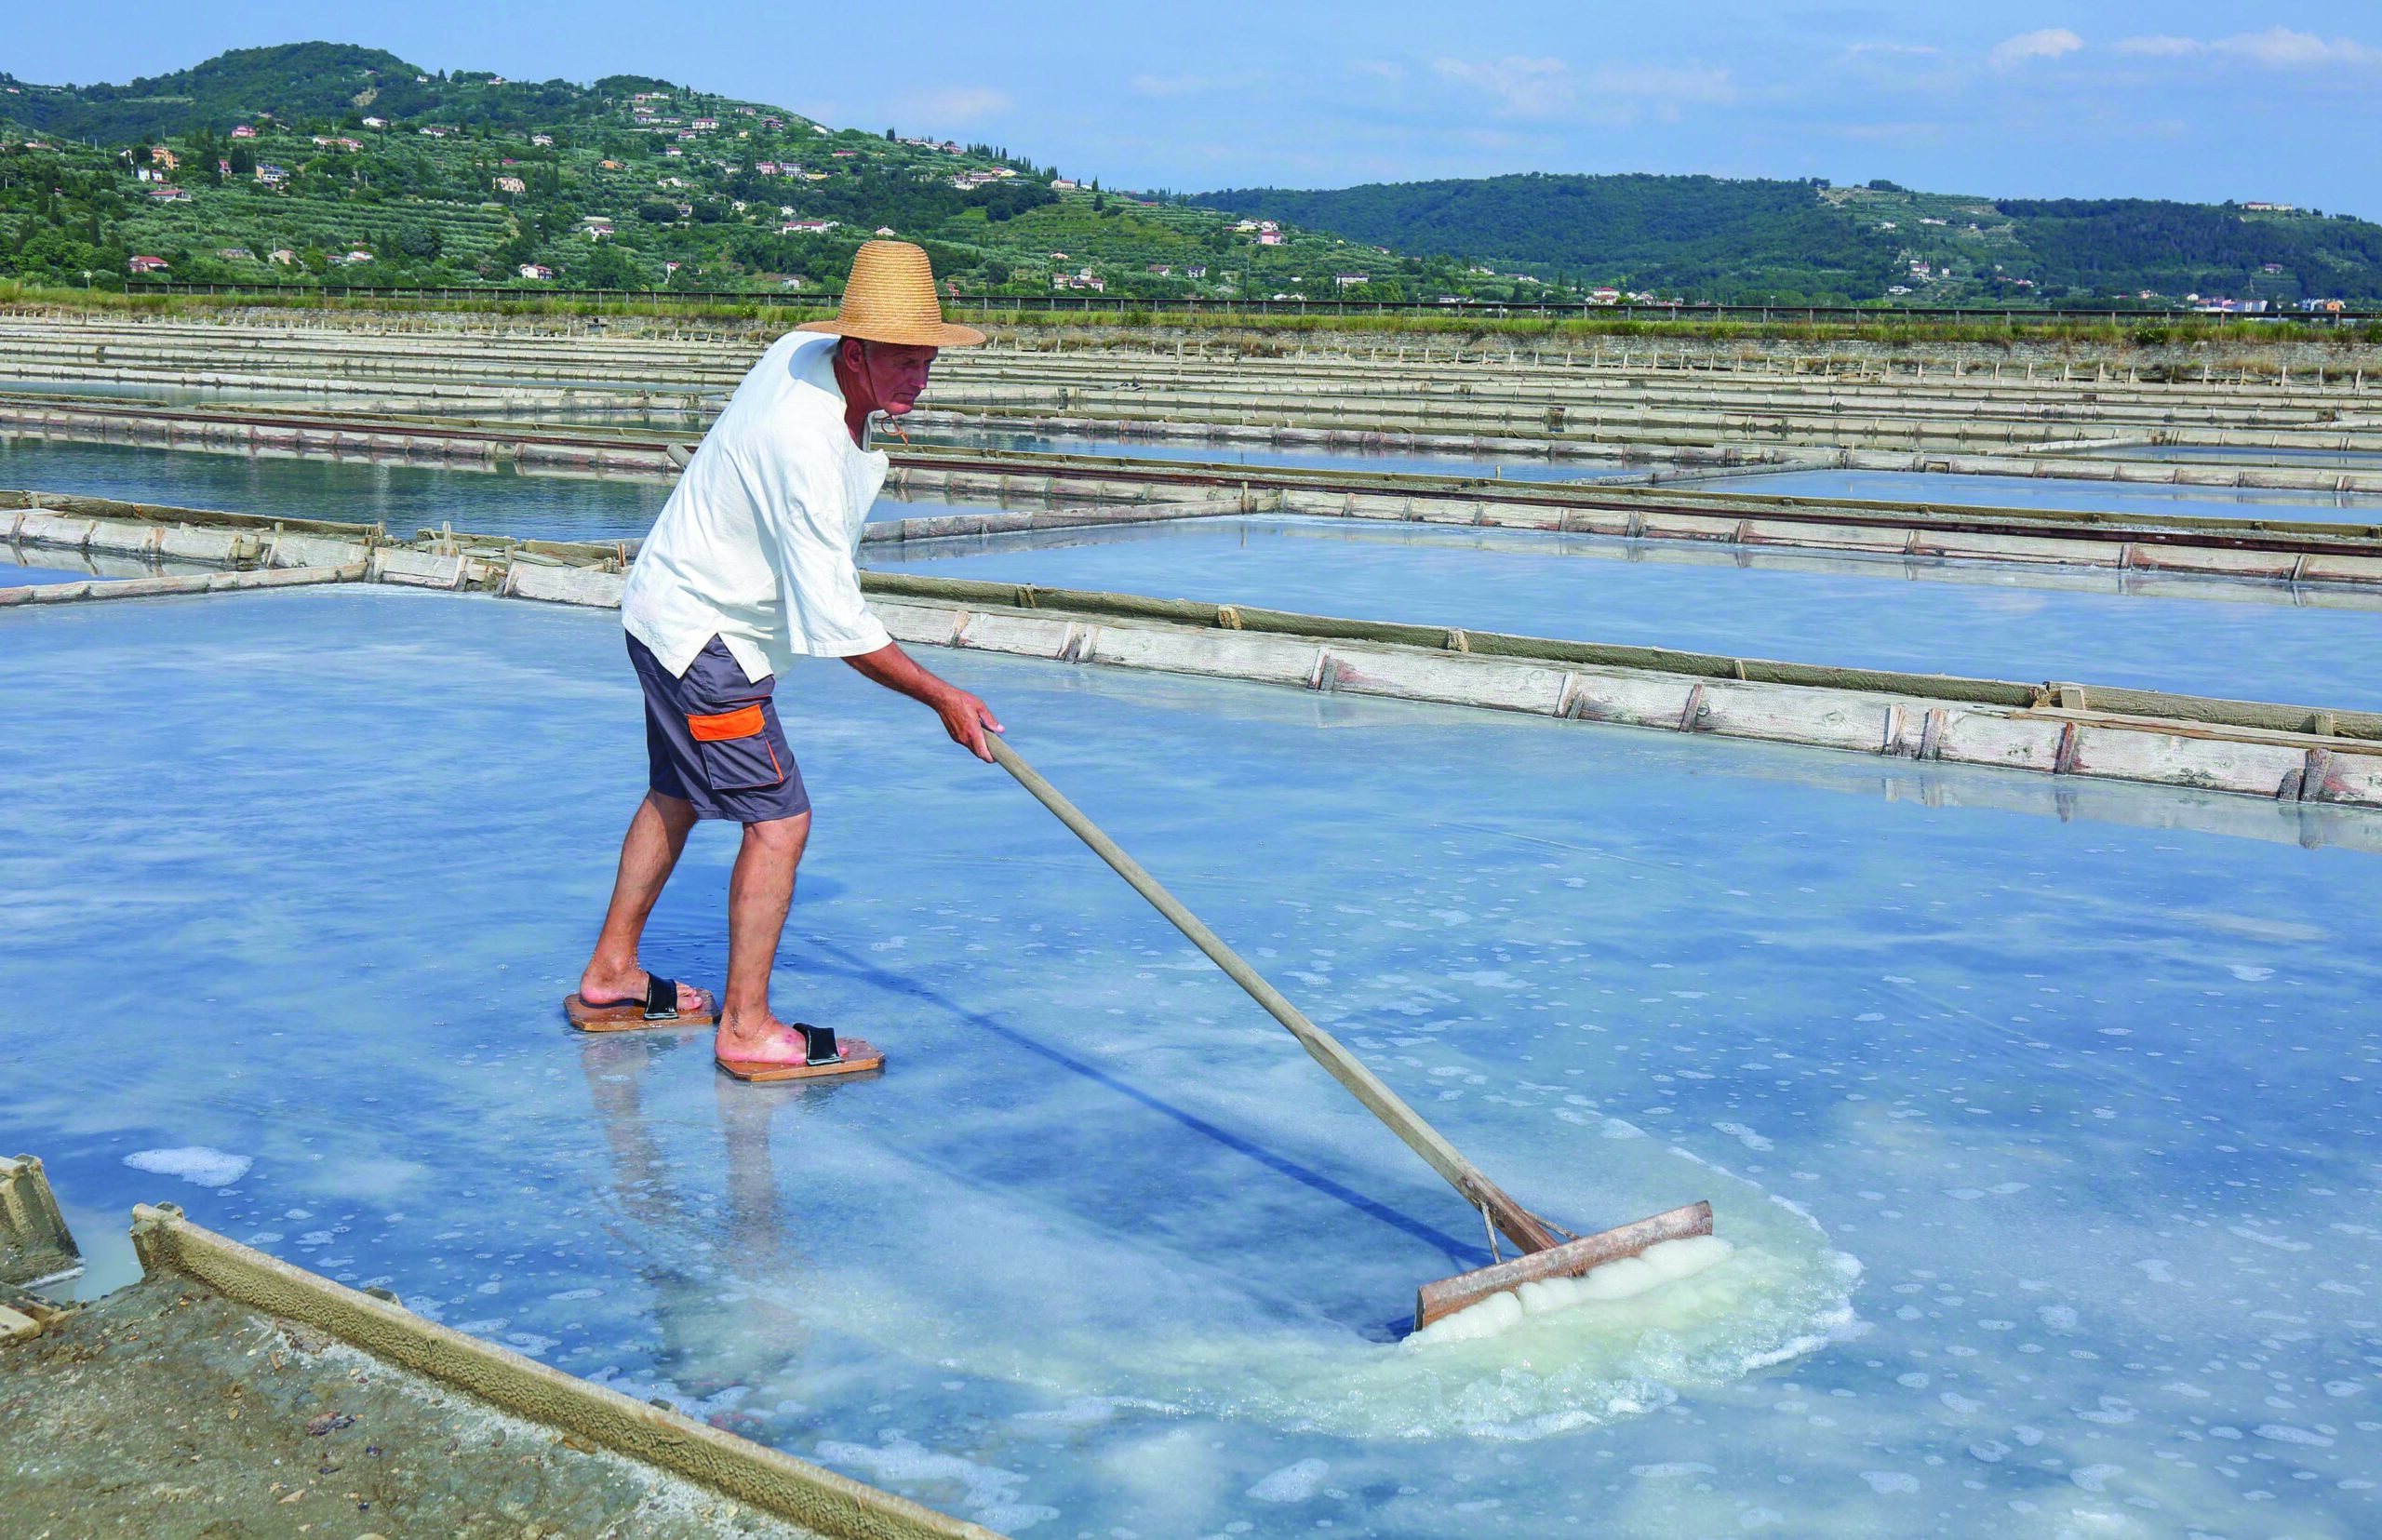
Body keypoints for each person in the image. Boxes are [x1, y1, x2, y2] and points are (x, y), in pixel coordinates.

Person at [566, 240, 1001, 1081]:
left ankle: (612, 973)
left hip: (667, 608)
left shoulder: (798, 352)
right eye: (902, 361)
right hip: (708, 643)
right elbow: (842, 625)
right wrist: (943, 695)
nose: (919, 380)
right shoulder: (802, 448)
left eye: (928, 361)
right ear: (855, 351)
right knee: (780, 819)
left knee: (677, 792)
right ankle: (749, 1027)